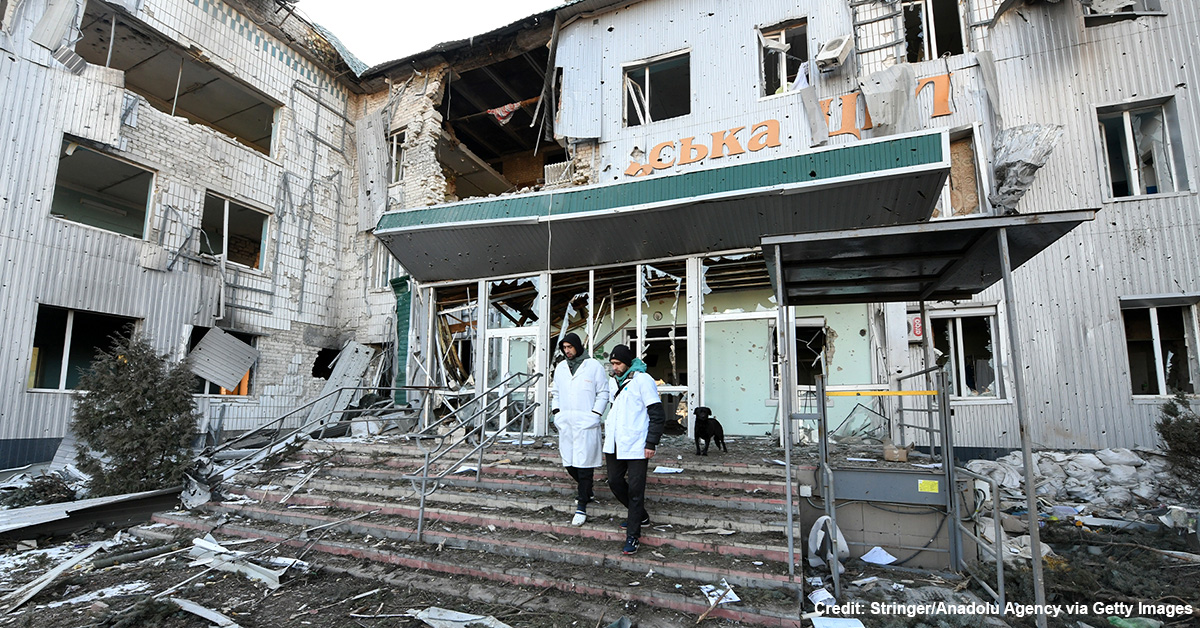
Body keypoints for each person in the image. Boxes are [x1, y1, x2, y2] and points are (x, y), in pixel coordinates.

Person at [603, 344, 666, 556]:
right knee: (614, 481)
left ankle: (633, 535)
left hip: (638, 444)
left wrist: (651, 443)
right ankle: (641, 516)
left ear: (628, 362)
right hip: (615, 443)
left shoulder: (643, 380)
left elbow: (657, 414)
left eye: (618, 363)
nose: (615, 367)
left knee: (636, 491)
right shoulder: (614, 382)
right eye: (612, 364)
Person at [550, 333, 609, 526]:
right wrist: (556, 413)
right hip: (567, 422)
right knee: (569, 463)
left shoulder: (593, 366)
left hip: (586, 422)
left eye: (570, 347)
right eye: (564, 348)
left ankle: (582, 505)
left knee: (585, 466)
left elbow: (603, 393)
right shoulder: (560, 368)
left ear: (577, 346)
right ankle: (588, 490)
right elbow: (556, 393)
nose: (567, 351)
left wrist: (595, 415)